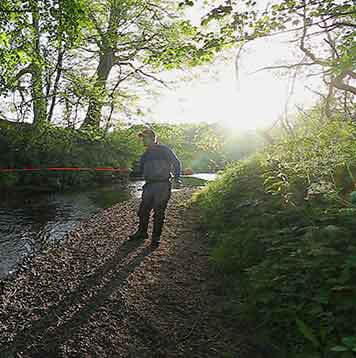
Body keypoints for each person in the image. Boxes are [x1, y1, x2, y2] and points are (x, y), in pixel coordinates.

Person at [129, 128, 182, 247]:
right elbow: (140, 172)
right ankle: (142, 233)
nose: (142, 140)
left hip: (163, 185)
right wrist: (131, 172)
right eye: (142, 137)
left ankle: (155, 238)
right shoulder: (145, 154)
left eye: (144, 137)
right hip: (148, 185)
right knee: (143, 211)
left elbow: (176, 163)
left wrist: (177, 178)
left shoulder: (164, 150)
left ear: (152, 138)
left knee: (159, 213)